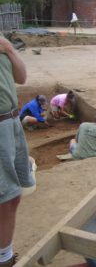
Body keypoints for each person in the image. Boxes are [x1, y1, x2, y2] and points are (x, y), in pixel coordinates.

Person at [0, 33, 35, 266]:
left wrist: (10, 50)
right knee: (6, 197)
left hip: (12, 122)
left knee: (13, 197)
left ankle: (5, 254)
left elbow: (21, 77)